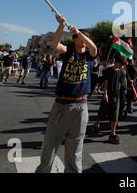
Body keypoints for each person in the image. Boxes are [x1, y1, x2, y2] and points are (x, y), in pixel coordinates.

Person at [36, 15, 97, 173]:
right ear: (74, 38)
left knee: (75, 149)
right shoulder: (68, 51)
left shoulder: (89, 56)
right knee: (50, 147)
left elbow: (94, 48)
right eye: (81, 37)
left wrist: (80, 33)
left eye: (86, 37)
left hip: (81, 106)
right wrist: (61, 26)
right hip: (61, 105)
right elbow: (55, 44)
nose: (84, 39)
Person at [93, 54, 127, 144]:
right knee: (102, 112)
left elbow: (122, 84)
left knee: (114, 115)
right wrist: (105, 94)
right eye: (121, 64)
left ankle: (112, 134)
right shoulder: (108, 70)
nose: (122, 66)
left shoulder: (122, 72)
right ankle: (96, 124)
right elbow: (106, 82)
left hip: (116, 96)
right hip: (108, 94)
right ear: (117, 62)